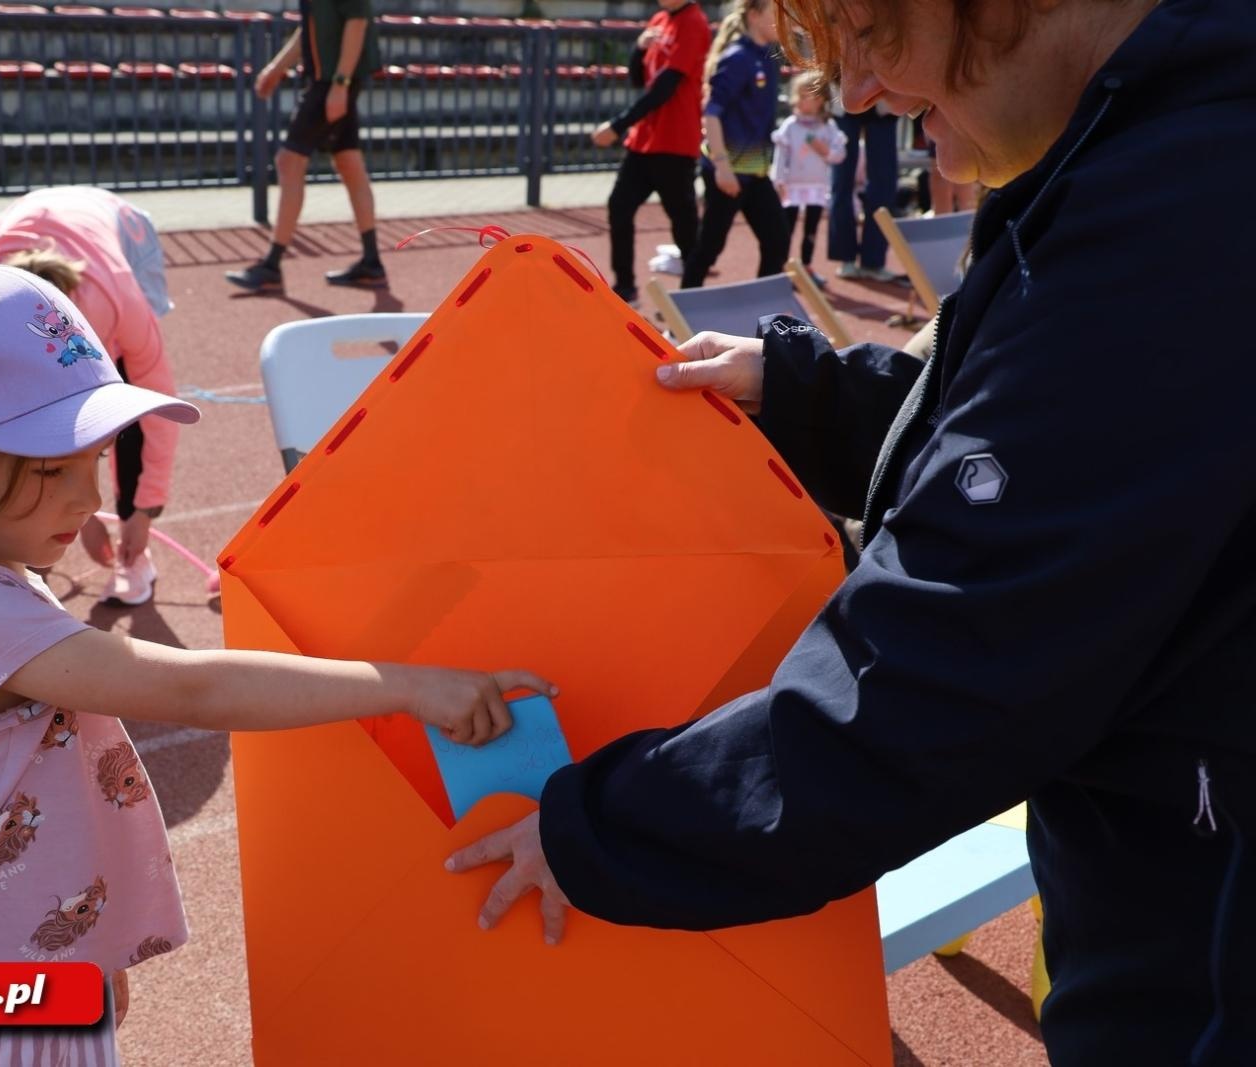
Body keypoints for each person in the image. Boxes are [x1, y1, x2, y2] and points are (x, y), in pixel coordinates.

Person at [447, 1, 1256, 1062]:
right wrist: (808, 396)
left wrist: (595, 828)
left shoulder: (1179, 210)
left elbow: (940, 674)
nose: (859, 91)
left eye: (871, 32)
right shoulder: (1173, 150)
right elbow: (1101, 454)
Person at [0, 261, 552, 1064]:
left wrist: (89, 948)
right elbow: (192, 685)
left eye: (96, 459)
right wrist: (410, 687)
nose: (87, 496)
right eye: (50, 468)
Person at [0, 186, 183, 607]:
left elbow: (156, 409)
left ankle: (135, 558)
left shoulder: (120, 302)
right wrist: (79, 520)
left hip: (117, 228)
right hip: (20, 221)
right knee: (17, 417)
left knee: (125, 403)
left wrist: (144, 511)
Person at [226, 0, 386, 293]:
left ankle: (272, 265)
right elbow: (311, 25)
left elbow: (357, 21)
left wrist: (340, 83)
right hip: (333, 79)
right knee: (348, 161)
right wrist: (276, 68)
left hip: (334, 80)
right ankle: (371, 261)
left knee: (289, 160)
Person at [591, 0, 710, 305]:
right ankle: (625, 287)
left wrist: (617, 125)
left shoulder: (694, 23)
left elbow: (665, 88)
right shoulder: (659, 19)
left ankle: (693, 296)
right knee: (619, 207)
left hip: (675, 141)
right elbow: (639, 80)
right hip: (643, 141)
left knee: (683, 223)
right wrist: (638, 49)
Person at [680, 0, 791, 289]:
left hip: (755, 172)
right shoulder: (738, 57)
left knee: (777, 240)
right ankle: (681, 308)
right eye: (775, 14)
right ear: (754, 16)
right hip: (728, 171)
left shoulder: (767, 57)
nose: (783, 22)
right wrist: (721, 166)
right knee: (710, 246)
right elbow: (712, 114)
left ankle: (765, 310)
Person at [771, 71, 847, 288]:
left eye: (809, 96)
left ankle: (806, 266)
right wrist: (778, 180)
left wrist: (825, 150)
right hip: (792, 186)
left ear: (821, 100)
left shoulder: (827, 127)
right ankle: (783, 269)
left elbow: (839, 154)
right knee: (787, 228)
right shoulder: (790, 125)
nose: (803, 101)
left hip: (816, 186)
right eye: (800, 96)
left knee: (811, 229)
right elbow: (780, 156)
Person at [826, 87, 903, 281]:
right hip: (844, 101)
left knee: (884, 184)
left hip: (885, 104)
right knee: (841, 182)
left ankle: (874, 261)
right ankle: (846, 258)